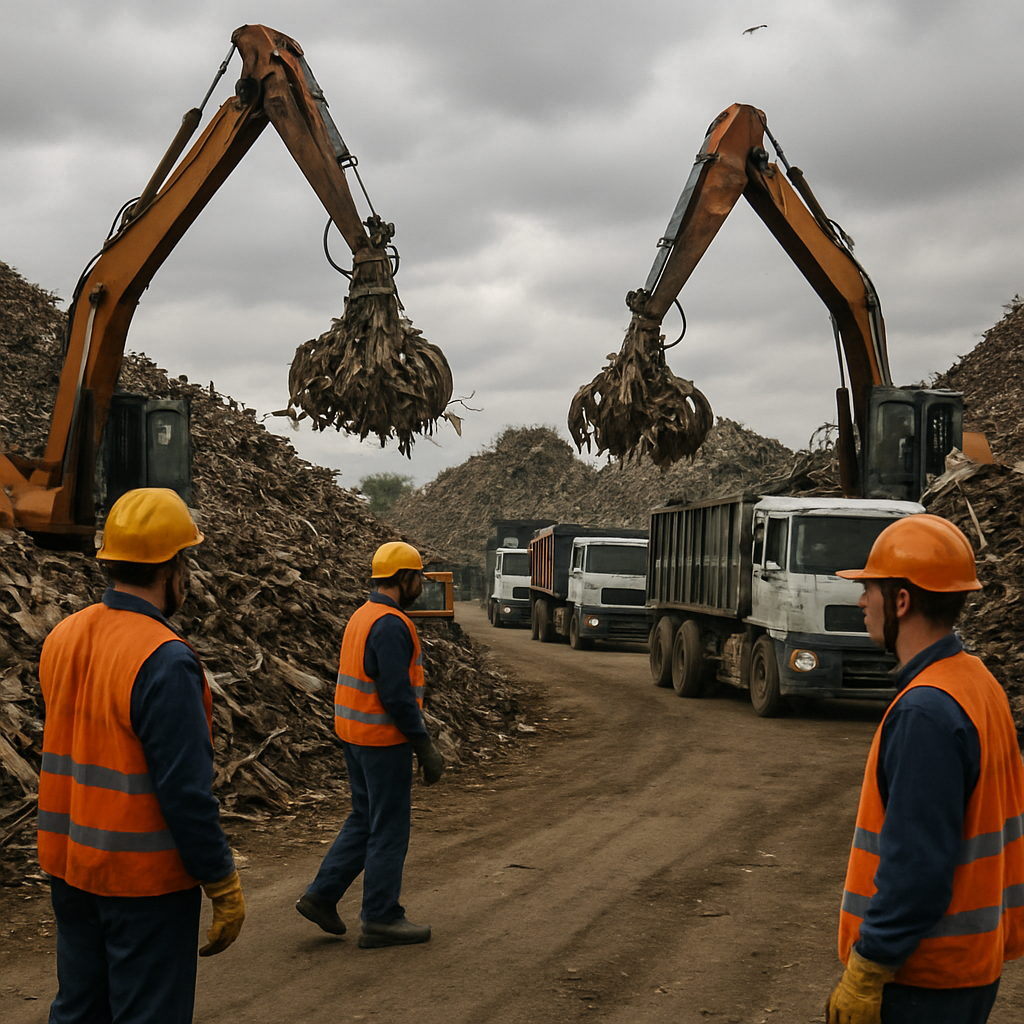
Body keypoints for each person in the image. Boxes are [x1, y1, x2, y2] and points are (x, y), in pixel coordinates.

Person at [37, 488, 245, 1024]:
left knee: (80, 1010)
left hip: (70, 866)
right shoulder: (165, 660)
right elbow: (184, 792)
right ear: (173, 568)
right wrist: (220, 879)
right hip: (143, 884)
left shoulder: (63, 635)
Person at [826, 514, 1024, 1024]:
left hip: (922, 980)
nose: (860, 601)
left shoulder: (926, 712)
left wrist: (868, 968)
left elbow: (917, 869)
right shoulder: (976, 682)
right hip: (968, 971)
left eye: (869, 588)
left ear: (901, 600)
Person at [296, 540, 445, 948]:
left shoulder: (363, 616)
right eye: (418, 577)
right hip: (382, 741)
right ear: (404, 578)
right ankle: (380, 917)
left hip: (354, 737)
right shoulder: (392, 625)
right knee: (389, 828)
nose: (421, 585)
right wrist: (424, 746)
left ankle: (321, 896)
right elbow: (396, 694)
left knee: (365, 818)